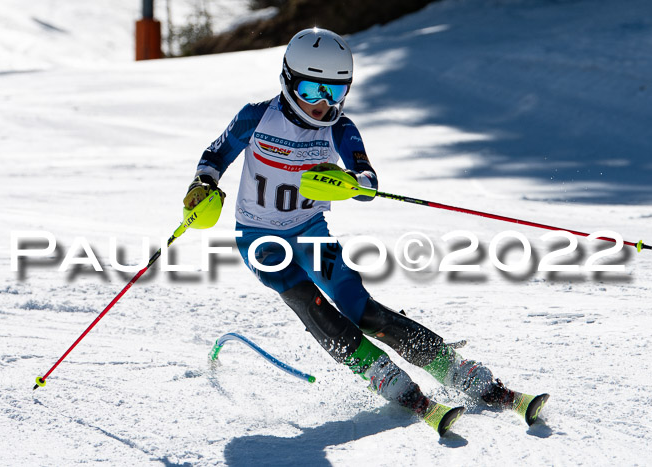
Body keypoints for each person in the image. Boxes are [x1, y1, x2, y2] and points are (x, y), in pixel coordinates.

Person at [184, 28, 542, 432]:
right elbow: (216, 153)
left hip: (310, 231)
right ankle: (383, 375)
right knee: (310, 303)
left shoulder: (340, 129)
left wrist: (349, 182)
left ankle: (456, 370)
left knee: (362, 309)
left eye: (334, 93)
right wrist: (203, 183)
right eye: (310, 89)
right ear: (287, 80)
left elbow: (367, 181)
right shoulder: (256, 116)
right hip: (259, 239)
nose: (321, 104)